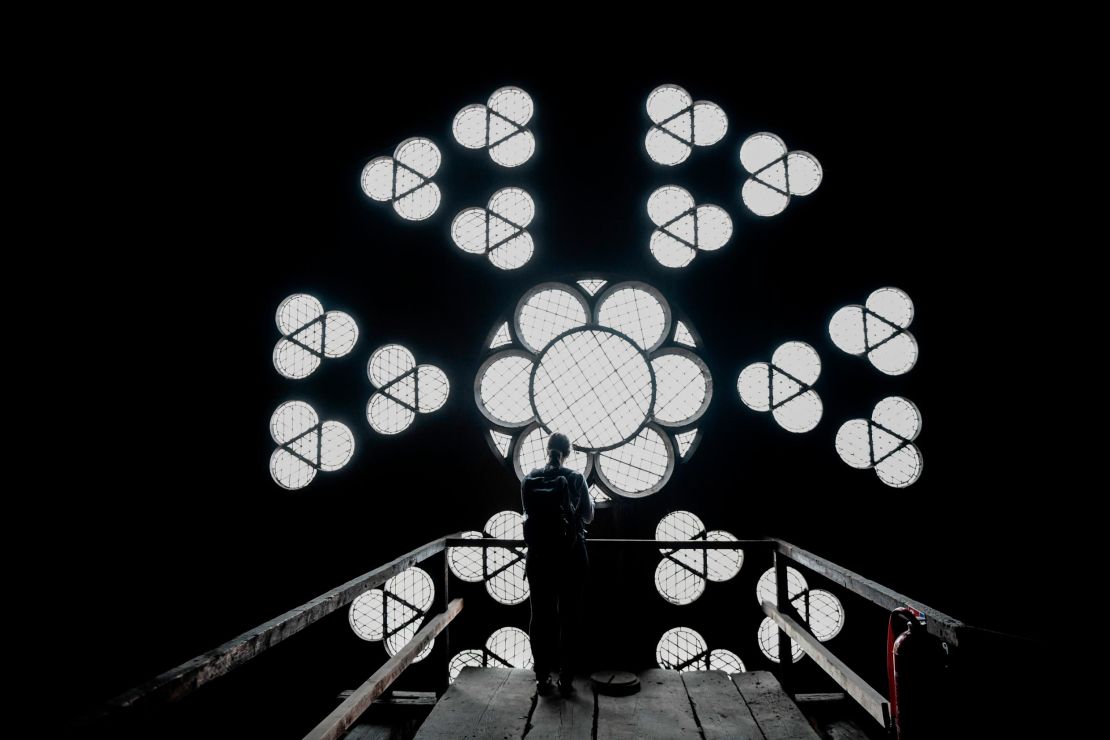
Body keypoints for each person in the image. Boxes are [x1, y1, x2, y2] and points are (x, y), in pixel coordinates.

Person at [521, 432, 594, 697]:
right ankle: (566, 676)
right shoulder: (575, 478)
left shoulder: (530, 478)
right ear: (567, 453)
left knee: (540, 615)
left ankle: (542, 676)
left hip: (539, 556)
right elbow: (587, 516)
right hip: (572, 556)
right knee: (569, 615)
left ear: (547, 450)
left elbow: (527, 513)